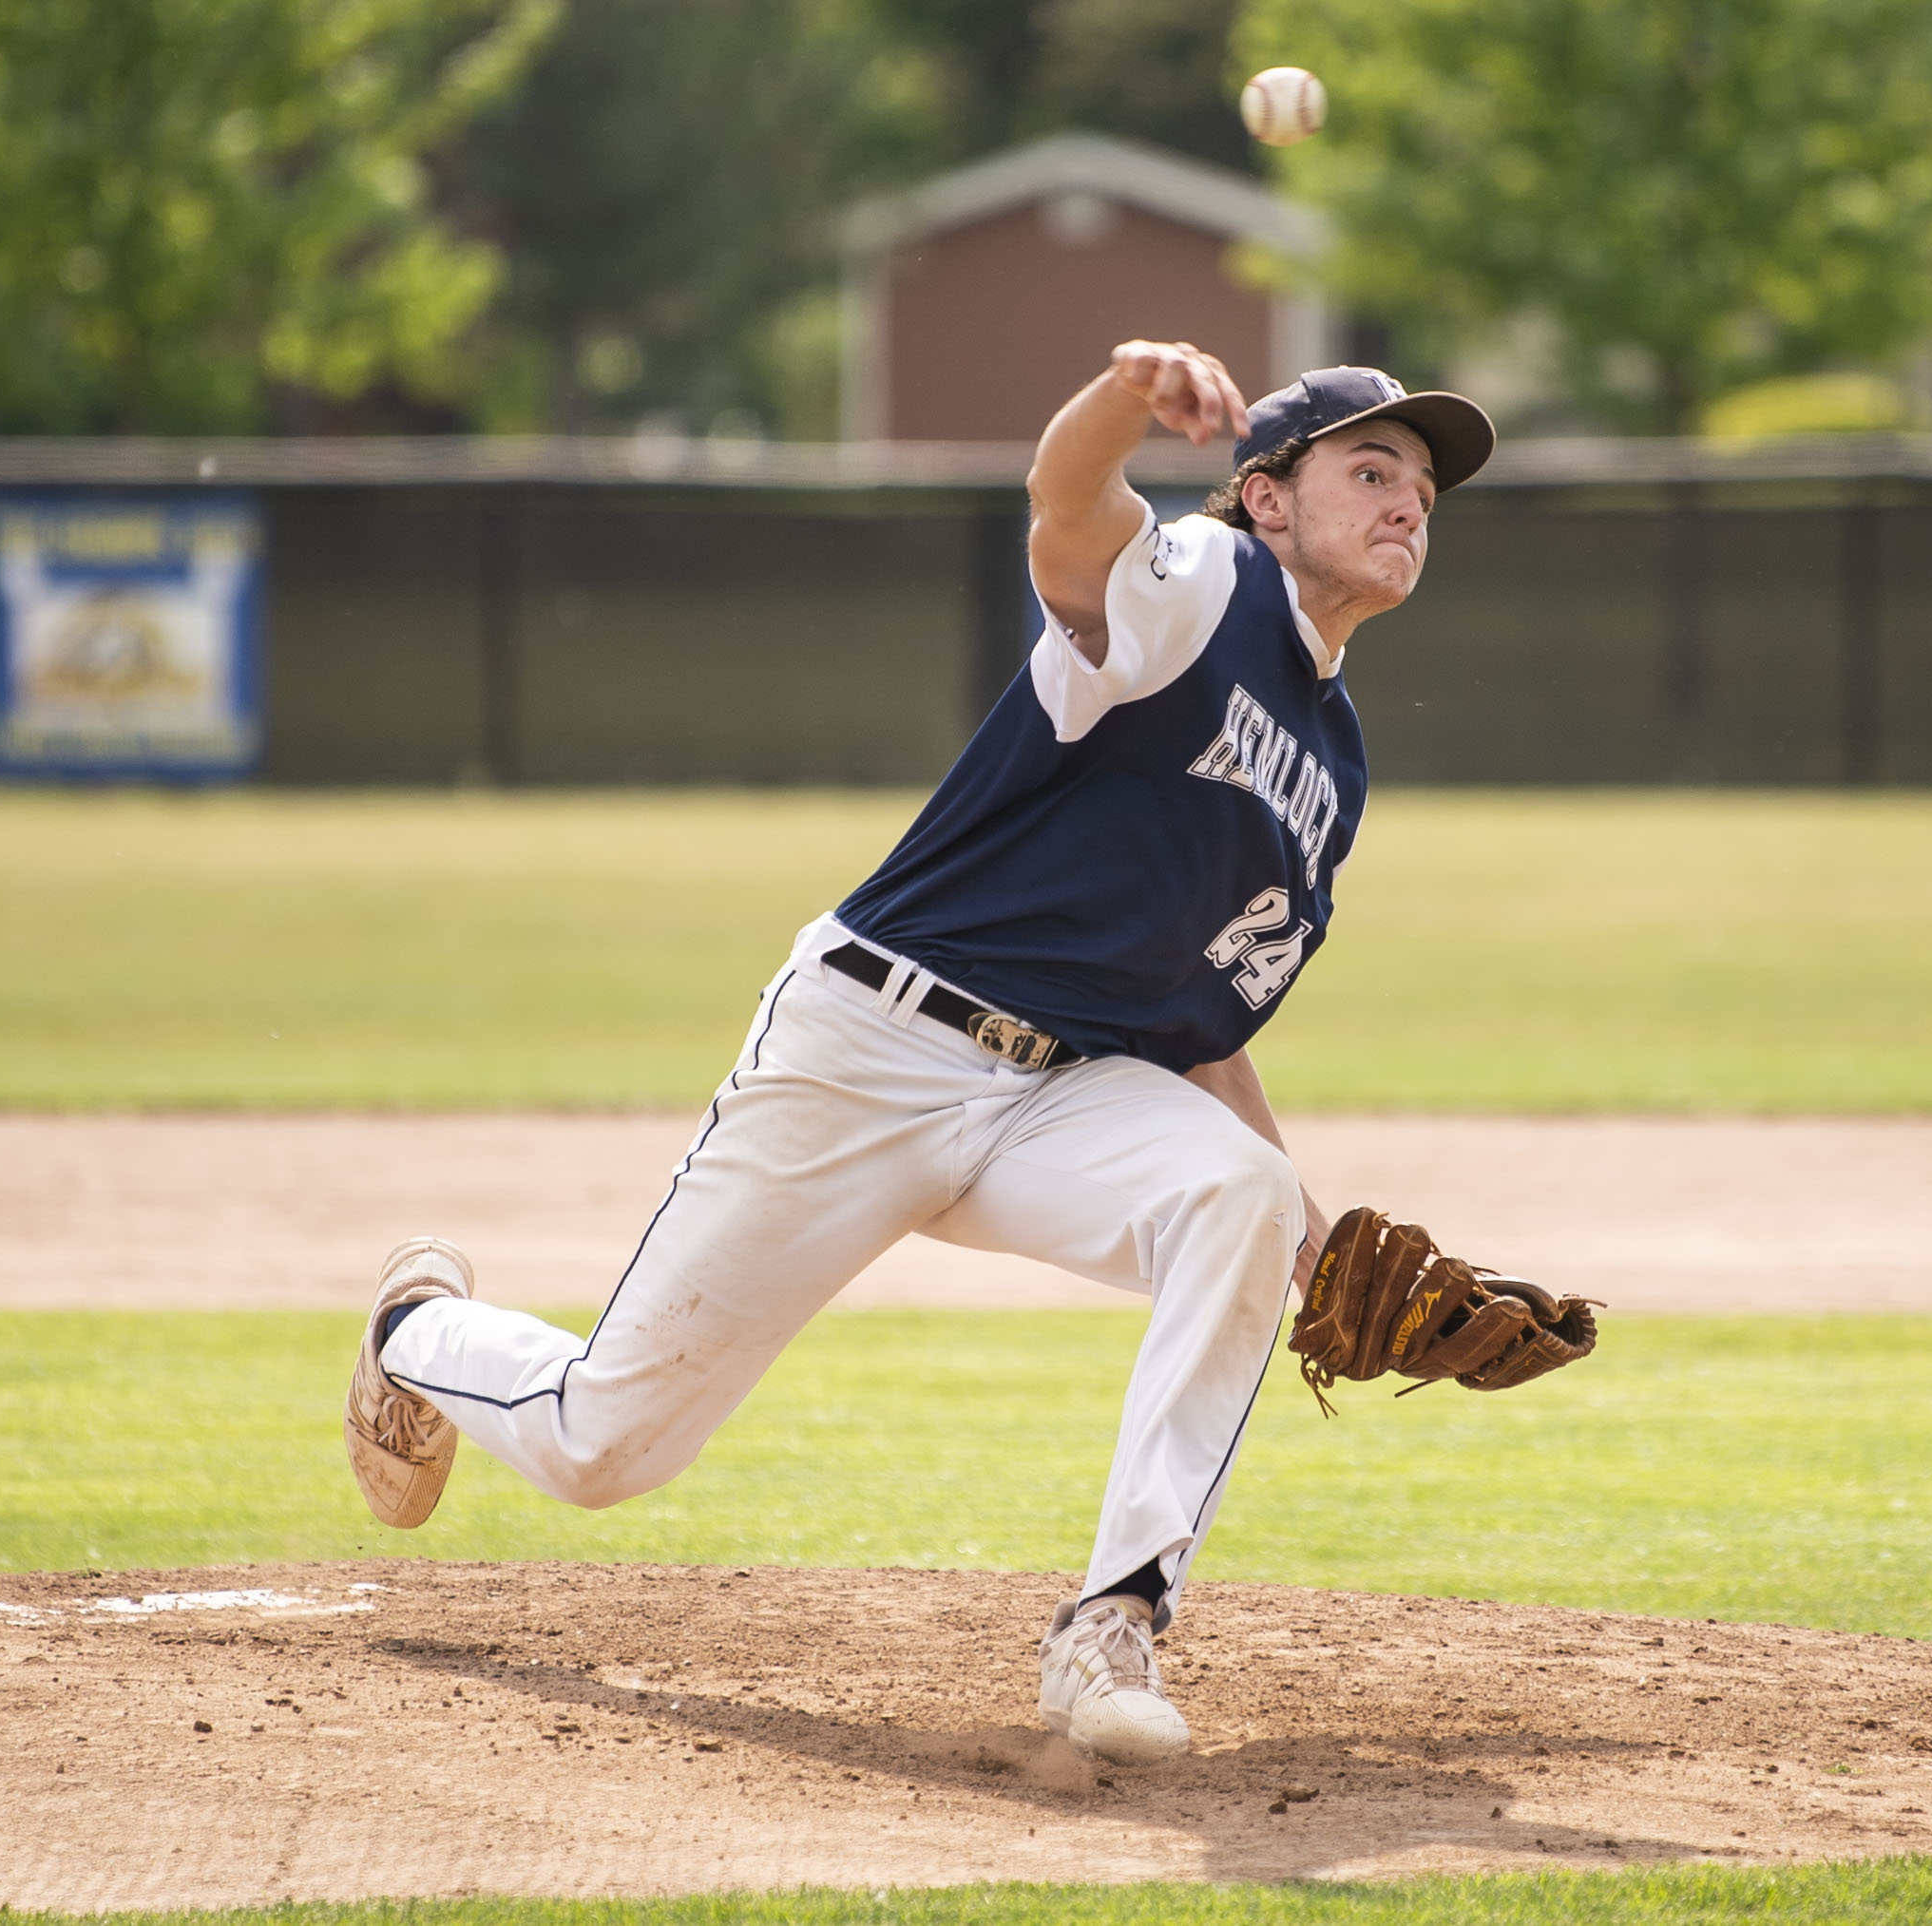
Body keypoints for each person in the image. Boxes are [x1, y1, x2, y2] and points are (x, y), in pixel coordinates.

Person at [344, 344, 1495, 1766]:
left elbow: (1202, 1039)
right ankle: (414, 1335)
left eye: (1422, 488)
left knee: (1235, 1197)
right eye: (1368, 471)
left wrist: (1317, 1256)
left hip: (1052, 1100)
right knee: (603, 1448)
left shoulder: (1335, 767)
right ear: (1263, 496)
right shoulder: (1203, 586)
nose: (1406, 505)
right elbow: (1063, 508)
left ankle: (1113, 1625)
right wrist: (1122, 397)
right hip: (871, 1052)